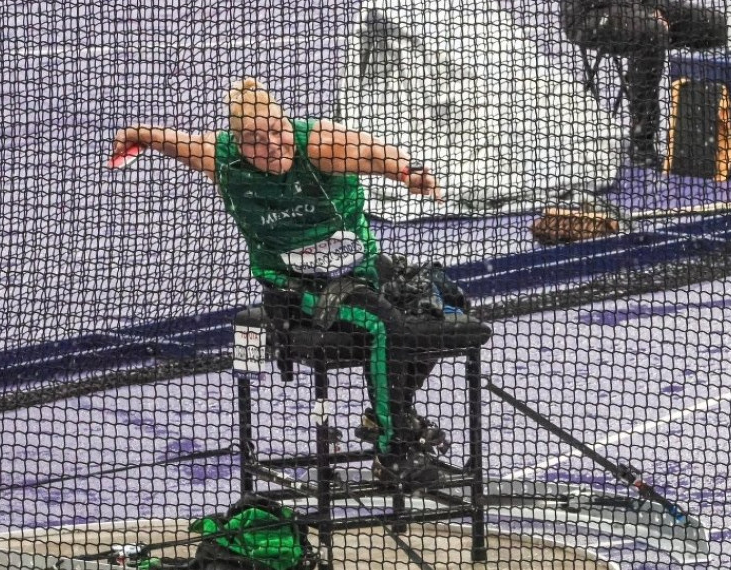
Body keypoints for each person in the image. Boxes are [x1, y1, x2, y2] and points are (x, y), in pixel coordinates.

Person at [111, 77, 489, 487]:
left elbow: (371, 152)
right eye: (256, 139)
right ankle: (395, 452)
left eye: (278, 130)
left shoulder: (320, 147)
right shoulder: (224, 162)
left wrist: (409, 173)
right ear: (237, 144)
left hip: (360, 268)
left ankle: (385, 417)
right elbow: (176, 143)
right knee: (385, 325)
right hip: (297, 289)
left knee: (442, 301)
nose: (272, 144)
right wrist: (138, 137)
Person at [559, 0, 727, 169]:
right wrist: (644, 12)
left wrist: (658, 9)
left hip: (640, 9)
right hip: (590, 15)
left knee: (714, 24)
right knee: (651, 32)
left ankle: (712, 139)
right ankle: (642, 141)